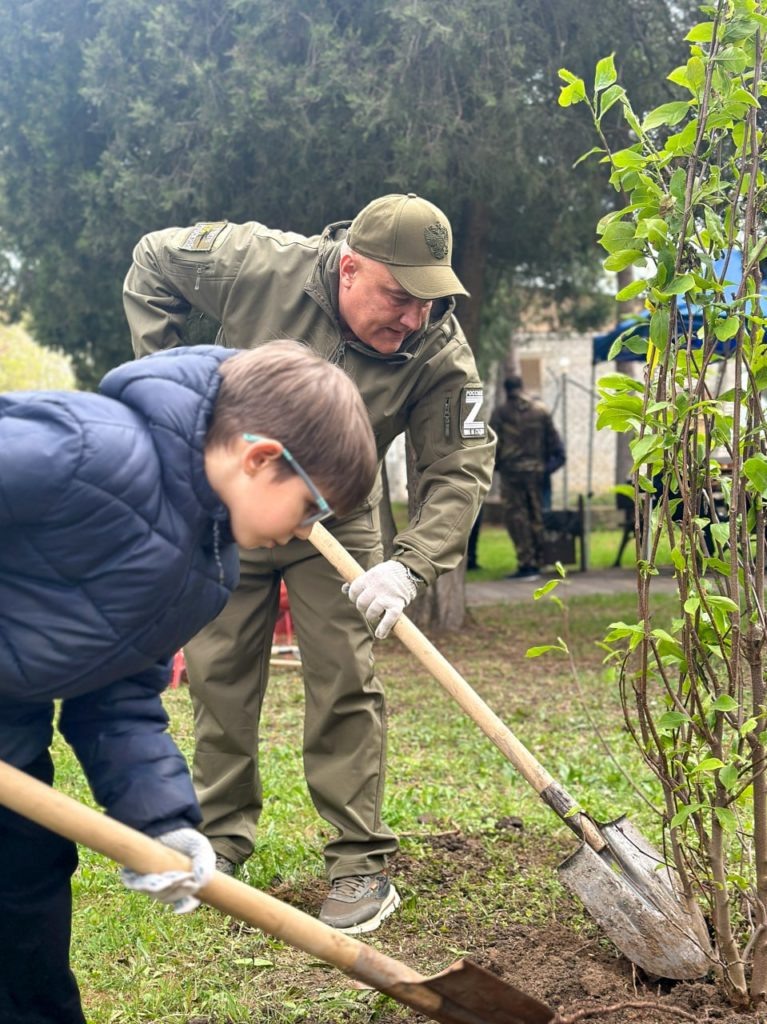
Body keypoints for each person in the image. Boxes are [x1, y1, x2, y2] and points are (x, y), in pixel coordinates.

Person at [123, 192, 495, 934]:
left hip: (342, 519)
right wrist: (179, 402)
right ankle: (220, 840)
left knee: (344, 680)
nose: (412, 318)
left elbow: (459, 462)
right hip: (234, 499)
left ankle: (357, 861)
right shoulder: (259, 262)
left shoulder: (436, 349)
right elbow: (151, 261)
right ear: (348, 268)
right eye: (398, 297)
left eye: (429, 301)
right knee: (219, 670)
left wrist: (410, 566)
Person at [0, 341, 377, 1024]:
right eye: (310, 507)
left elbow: (118, 696)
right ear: (260, 459)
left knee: (26, 886)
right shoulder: (95, 450)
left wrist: (161, 823)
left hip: (9, 736)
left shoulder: (208, 573)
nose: (304, 531)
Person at [490, 375, 565, 581]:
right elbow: (556, 446)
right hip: (537, 474)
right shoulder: (540, 411)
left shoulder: (501, 413)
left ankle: (526, 562)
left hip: (511, 474)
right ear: (522, 387)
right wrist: (544, 469)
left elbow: (491, 444)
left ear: (506, 389)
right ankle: (540, 560)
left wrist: (496, 467)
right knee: (537, 516)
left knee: (516, 517)